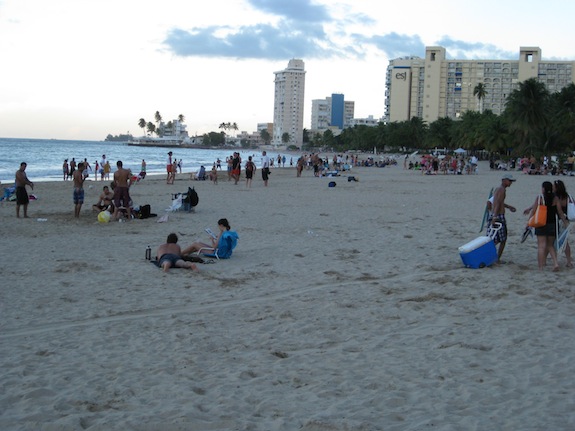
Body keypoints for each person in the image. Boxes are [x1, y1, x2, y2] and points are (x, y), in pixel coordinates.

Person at [526, 181, 569, 271]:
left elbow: (533, 211)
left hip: (541, 223)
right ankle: (555, 263)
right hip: (552, 224)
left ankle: (541, 267)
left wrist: (528, 222)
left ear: (544, 189)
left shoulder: (540, 198)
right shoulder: (556, 198)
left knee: (541, 246)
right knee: (550, 245)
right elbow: (560, 213)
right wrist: (566, 223)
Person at [488, 173, 517, 262]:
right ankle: (496, 258)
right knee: (502, 239)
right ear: (504, 180)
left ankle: (492, 256)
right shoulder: (501, 190)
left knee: (495, 238)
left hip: (495, 214)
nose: (511, 183)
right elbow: (497, 204)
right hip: (498, 216)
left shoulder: (498, 189)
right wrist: (495, 216)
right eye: (509, 181)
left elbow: (496, 202)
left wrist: (509, 207)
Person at [553, 180, 572, 268]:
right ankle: (569, 261)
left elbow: (559, 211)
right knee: (565, 242)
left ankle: (555, 261)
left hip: (558, 220)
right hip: (567, 220)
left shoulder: (556, 198)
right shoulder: (568, 197)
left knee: (553, 241)